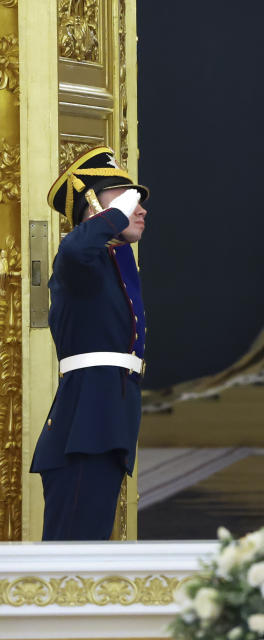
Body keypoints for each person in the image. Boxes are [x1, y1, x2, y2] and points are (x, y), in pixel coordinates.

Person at [30, 146, 149, 540]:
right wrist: (114, 216)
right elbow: (77, 247)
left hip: (106, 421)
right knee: (68, 564)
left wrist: (117, 212)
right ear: (93, 205)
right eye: (126, 198)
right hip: (84, 427)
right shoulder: (80, 261)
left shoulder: (116, 262)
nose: (139, 207)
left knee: (88, 559)